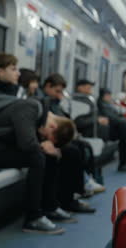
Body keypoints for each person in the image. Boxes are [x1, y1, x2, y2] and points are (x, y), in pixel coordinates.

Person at [0, 99, 76, 234]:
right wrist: (43, 145)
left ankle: (49, 206)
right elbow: (27, 143)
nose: (43, 136)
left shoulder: (36, 113)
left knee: (47, 155)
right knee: (37, 157)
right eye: (46, 136)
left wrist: (46, 147)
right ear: (53, 127)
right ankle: (33, 218)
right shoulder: (30, 107)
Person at [42, 74, 102, 209]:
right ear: (47, 87)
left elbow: (64, 118)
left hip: (55, 133)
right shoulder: (43, 101)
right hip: (49, 136)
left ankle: (83, 184)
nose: (59, 95)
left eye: (61, 92)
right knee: (72, 150)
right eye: (57, 91)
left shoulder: (54, 102)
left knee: (82, 145)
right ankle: (69, 198)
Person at [75, 80, 126, 172]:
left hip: (100, 128)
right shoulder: (78, 101)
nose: (90, 89)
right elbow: (79, 121)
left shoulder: (89, 99)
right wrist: (97, 119)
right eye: (88, 87)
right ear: (80, 88)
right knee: (123, 127)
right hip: (91, 130)